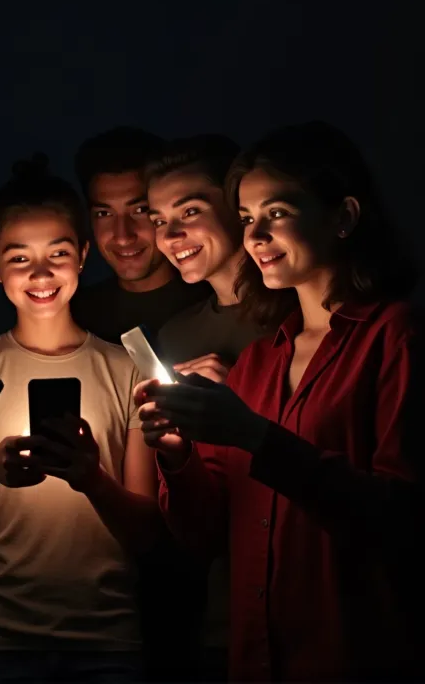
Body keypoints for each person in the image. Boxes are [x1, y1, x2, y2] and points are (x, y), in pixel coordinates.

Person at [137, 121, 425, 681]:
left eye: (277, 212)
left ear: (343, 217)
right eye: (245, 219)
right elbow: (205, 533)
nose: (256, 236)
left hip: (363, 655)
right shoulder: (261, 362)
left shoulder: (399, 339)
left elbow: (406, 517)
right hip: (259, 659)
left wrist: (254, 436)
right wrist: (175, 452)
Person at [0, 156, 161, 682]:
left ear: (83, 258)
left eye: (58, 253)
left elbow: (149, 533)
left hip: (107, 640)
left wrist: (91, 478)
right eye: (19, 257)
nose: (41, 273)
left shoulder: (126, 369)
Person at [137, 134, 269, 681]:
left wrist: (240, 392)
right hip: (223, 608)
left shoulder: (298, 316)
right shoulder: (178, 332)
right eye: (159, 218)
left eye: (190, 211)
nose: (171, 235)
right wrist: (171, 451)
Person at [71, 127, 210, 343]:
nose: (123, 236)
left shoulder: (215, 304)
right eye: (104, 213)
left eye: (140, 210)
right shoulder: (72, 317)